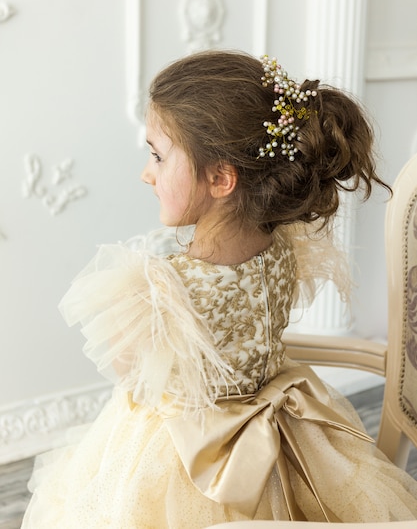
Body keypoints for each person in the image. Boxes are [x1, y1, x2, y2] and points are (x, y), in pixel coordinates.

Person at [22, 50, 417, 527]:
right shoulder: (284, 244)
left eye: (157, 155)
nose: (146, 173)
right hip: (289, 435)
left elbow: (136, 377)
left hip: (185, 457)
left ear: (221, 177)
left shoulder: (157, 287)